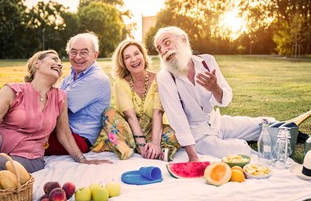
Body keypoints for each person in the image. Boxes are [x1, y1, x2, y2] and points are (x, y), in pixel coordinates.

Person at [0, 50, 110, 201]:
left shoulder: (60, 97)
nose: (59, 64)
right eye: (54, 59)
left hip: (28, 157)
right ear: (37, 63)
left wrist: (82, 159)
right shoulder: (13, 90)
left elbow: (64, 133)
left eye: (60, 62)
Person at [153, 26, 276, 161]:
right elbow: (177, 117)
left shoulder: (207, 61)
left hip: (217, 122)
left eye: (167, 43)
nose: (164, 50)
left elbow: (226, 98)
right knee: (242, 150)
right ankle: (235, 141)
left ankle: (284, 132)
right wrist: (193, 156)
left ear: (183, 39)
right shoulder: (165, 77)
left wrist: (215, 89)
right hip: (199, 136)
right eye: (159, 49)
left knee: (267, 124)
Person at [92, 40, 180, 161]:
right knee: (109, 113)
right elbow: (130, 117)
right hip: (129, 130)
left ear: (143, 56)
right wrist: (142, 145)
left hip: (153, 129)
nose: (133, 59)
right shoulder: (120, 84)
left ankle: (152, 148)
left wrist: (154, 142)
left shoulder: (160, 79)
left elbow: (158, 112)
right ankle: (133, 149)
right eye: (127, 57)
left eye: (136, 54)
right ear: (123, 63)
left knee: (175, 133)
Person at [45, 32, 111, 156]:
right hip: (60, 131)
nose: (77, 57)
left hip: (76, 139)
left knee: (24, 140)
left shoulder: (96, 79)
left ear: (95, 55)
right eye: (73, 52)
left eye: (84, 52)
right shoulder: (72, 75)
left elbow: (54, 104)